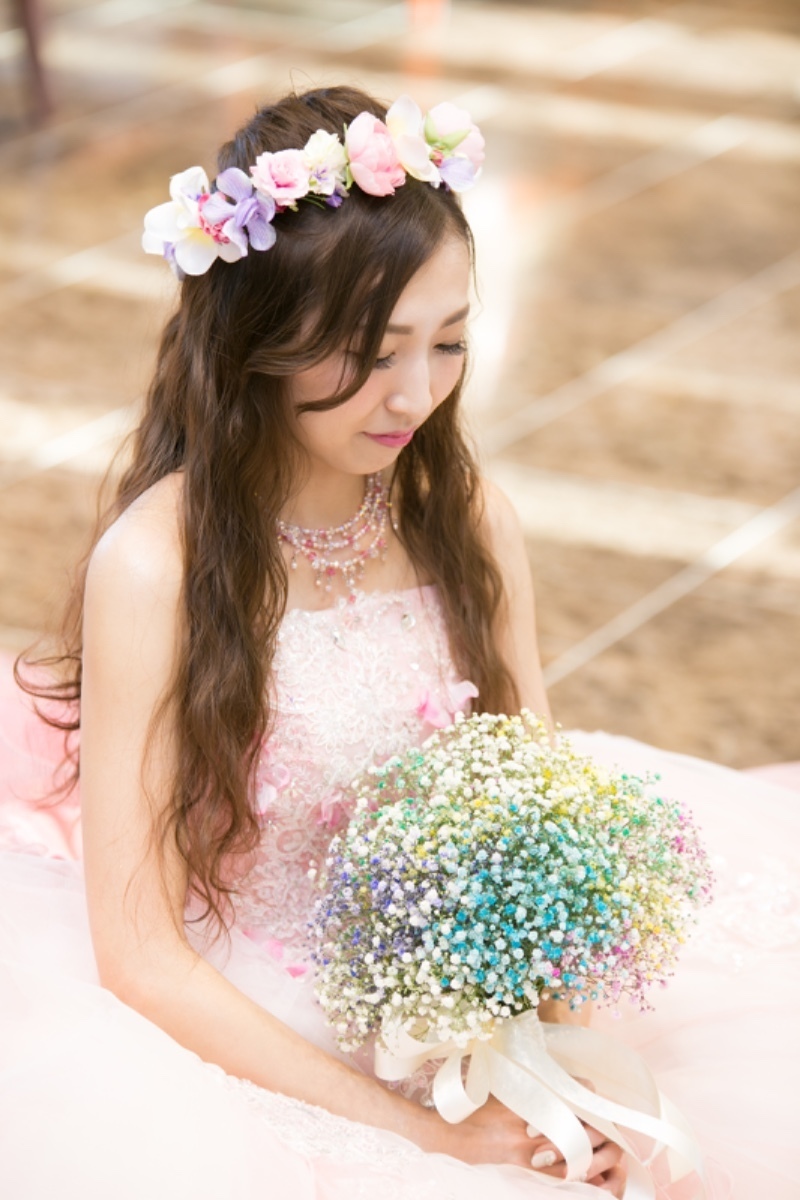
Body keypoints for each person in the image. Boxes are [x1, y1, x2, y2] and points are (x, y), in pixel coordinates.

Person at [0, 84, 797, 1200]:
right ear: (260, 343)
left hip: (457, 982)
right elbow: (138, 957)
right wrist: (428, 1137)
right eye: (370, 353)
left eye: (449, 342)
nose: (414, 394)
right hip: (245, 1000)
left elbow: (535, 819)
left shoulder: (462, 520)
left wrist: (553, 1060)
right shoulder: (158, 565)